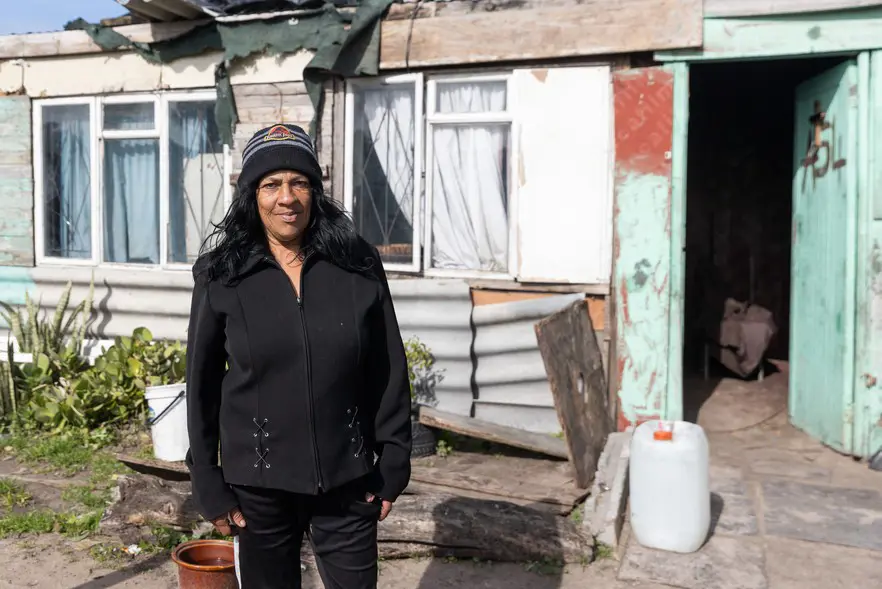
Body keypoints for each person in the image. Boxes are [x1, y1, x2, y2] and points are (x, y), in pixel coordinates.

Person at [185, 123, 413, 589]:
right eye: (271, 184)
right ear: (252, 194)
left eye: (299, 182)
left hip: (348, 480)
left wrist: (392, 461)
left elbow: (387, 367)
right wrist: (208, 477)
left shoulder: (357, 264)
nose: (286, 197)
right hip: (258, 487)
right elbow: (202, 382)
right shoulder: (222, 274)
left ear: (315, 190)